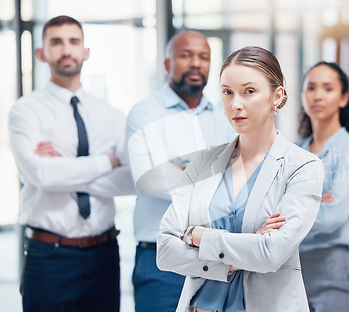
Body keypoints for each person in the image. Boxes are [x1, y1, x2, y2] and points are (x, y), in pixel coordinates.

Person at [156, 46, 324, 312]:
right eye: (227, 92)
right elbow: (165, 251)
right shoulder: (202, 164)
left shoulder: (302, 167)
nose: (236, 104)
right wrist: (239, 256)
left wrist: (198, 235)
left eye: (249, 91)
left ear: (276, 96)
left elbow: (271, 254)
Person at [8, 15, 134, 312]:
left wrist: (63, 168)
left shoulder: (112, 115)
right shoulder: (25, 112)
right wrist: (108, 161)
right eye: (56, 42)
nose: (66, 49)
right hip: (49, 256)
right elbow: (41, 174)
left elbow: (130, 180)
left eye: (74, 41)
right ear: (42, 53)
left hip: (104, 253)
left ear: (86, 51)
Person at [126, 30, 235, 312]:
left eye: (204, 57)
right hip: (160, 259)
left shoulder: (227, 116)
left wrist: (182, 167)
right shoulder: (145, 113)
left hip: (219, 255)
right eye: (186, 55)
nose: (196, 63)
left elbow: (241, 178)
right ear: (166, 64)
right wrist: (215, 173)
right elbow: (153, 181)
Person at [297, 62, 349, 312]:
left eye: (328, 88)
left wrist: (292, 209)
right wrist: (314, 202)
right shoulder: (293, 152)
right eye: (311, 88)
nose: (317, 95)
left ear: (343, 98)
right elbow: (269, 207)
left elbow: (332, 218)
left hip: (335, 267)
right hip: (293, 268)